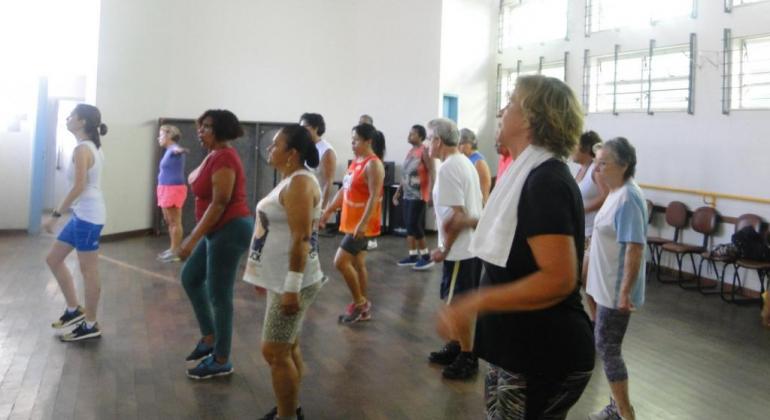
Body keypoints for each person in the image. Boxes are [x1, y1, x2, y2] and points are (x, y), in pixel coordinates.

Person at [437, 75, 594, 419]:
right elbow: (521, 231)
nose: (501, 112)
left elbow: (558, 279)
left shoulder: (546, 180)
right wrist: (470, 222)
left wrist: (475, 301)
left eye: (509, 103)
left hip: (543, 352)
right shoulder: (528, 173)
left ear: (530, 117)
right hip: (520, 350)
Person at [243, 125, 325, 420]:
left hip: (293, 280)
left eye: (275, 145)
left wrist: (291, 286)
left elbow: (301, 238)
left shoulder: (300, 184)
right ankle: (290, 408)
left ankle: (287, 415)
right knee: (286, 347)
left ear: (292, 153)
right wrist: (263, 275)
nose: (269, 149)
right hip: (279, 278)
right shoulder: (290, 180)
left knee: (275, 351)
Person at [179, 109, 253, 380]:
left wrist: (192, 238)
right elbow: (193, 179)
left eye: (207, 127)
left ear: (221, 130)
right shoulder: (214, 154)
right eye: (200, 126)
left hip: (229, 229)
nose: (200, 131)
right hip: (218, 230)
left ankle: (222, 358)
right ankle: (210, 337)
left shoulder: (224, 157)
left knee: (219, 296)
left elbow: (220, 202)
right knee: (190, 277)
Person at [586, 137, 646, 420]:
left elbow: (635, 247)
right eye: (596, 163)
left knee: (608, 349)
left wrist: (625, 293)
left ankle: (625, 413)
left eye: (603, 163)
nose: (597, 169)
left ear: (622, 166)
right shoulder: (615, 192)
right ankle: (616, 407)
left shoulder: (629, 198)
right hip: (604, 284)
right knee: (607, 346)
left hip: (614, 289)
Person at [44, 104, 108, 342]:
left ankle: (91, 324)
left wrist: (55, 215)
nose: (68, 118)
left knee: (88, 271)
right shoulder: (89, 147)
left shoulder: (83, 149)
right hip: (82, 214)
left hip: (89, 217)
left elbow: (79, 186)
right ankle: (74, 310)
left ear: (82, 122)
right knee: (53, 259)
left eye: (72, 116)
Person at [425, 118, 483, 380]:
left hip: (460, 250)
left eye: (429, 138)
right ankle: (458, 347)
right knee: (454, 301)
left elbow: (458, 217)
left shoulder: (449, 168)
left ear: (438, 140)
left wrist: (444, 250)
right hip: (466, 248)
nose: (427, 144)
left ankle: (468, 357)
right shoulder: (463, 162)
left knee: (456, 306)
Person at [320, 123, 385, 324]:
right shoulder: (356, 162)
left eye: (356, 140)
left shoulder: (373, 164)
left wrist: (363, 223)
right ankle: (363, 307)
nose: (352, 144)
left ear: (368, 141)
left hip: (362, 226)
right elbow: (344, 191)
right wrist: (328, 211)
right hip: (351, 222)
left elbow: (375, 196)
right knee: (358, 264)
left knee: (340, 262)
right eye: (352, 140)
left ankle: (359, 304)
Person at [572, 130, 609, 320]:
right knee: (586, 283)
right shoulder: (580, 169)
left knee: (589, 281)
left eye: (575, 146)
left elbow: (606, 196)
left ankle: (599, 322)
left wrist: (581, 209)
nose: (572, 150)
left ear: (586, 149)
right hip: (582, 232)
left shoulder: (596, 171)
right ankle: (596, 321)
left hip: (594, 232)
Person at [393, 124, 435, 270]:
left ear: (421, 137)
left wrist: (431, 193)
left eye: (413, 134)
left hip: (419, 195)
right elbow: (405, 175)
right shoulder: (411, 151)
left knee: (414, 225)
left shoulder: (424, 151)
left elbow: (432, 171)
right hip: (408, 194)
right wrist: (398, 191)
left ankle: (426, 256)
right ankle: (412, 256)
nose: (409, 136)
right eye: (409, 133)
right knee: (409, 226)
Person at [156, 124, 189, 263]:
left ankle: (176, 251)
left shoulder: (174, 148)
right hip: (164, 188)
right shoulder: (168, 150)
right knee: (169, 221)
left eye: (161, 135)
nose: (159, 138)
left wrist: (180, 150)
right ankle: (172, 249)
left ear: (169, 136)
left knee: (175, 222)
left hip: (173, 189)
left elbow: (180, 150)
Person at [299, 113, 336, 211]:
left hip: (315, 201)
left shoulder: (326, 150)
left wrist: (321, 209)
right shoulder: (303, 146)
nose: (302, 131)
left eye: (305, 127)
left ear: (316, 128)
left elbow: (328, 182)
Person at [358, 114, 378, 250]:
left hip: (373, 175)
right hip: (361, 176)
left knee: (373, 205)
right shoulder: (357, 138)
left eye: (364, 123)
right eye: (360, 122)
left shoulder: (376, 138)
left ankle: (372, 237)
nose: (361, 125)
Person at [458, 128, 491, 206]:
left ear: (470, 144)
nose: (459, 147)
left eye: (461, 143)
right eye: (458, 144)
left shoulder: (479, 162)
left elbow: (484, 192)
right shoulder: (466, 159)